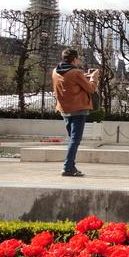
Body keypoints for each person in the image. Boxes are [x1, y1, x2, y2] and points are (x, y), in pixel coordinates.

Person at [52, 48, 99, 177]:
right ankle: (67, 168)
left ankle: (71, 166)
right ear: (74, 59)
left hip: (64, 109)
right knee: (75, 140)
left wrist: (84, 76)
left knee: (71, 139)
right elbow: (90, 89)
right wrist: (94, 78)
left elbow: (69, 80)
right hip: (78, 110)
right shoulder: (75, 73)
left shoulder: (56, 71)